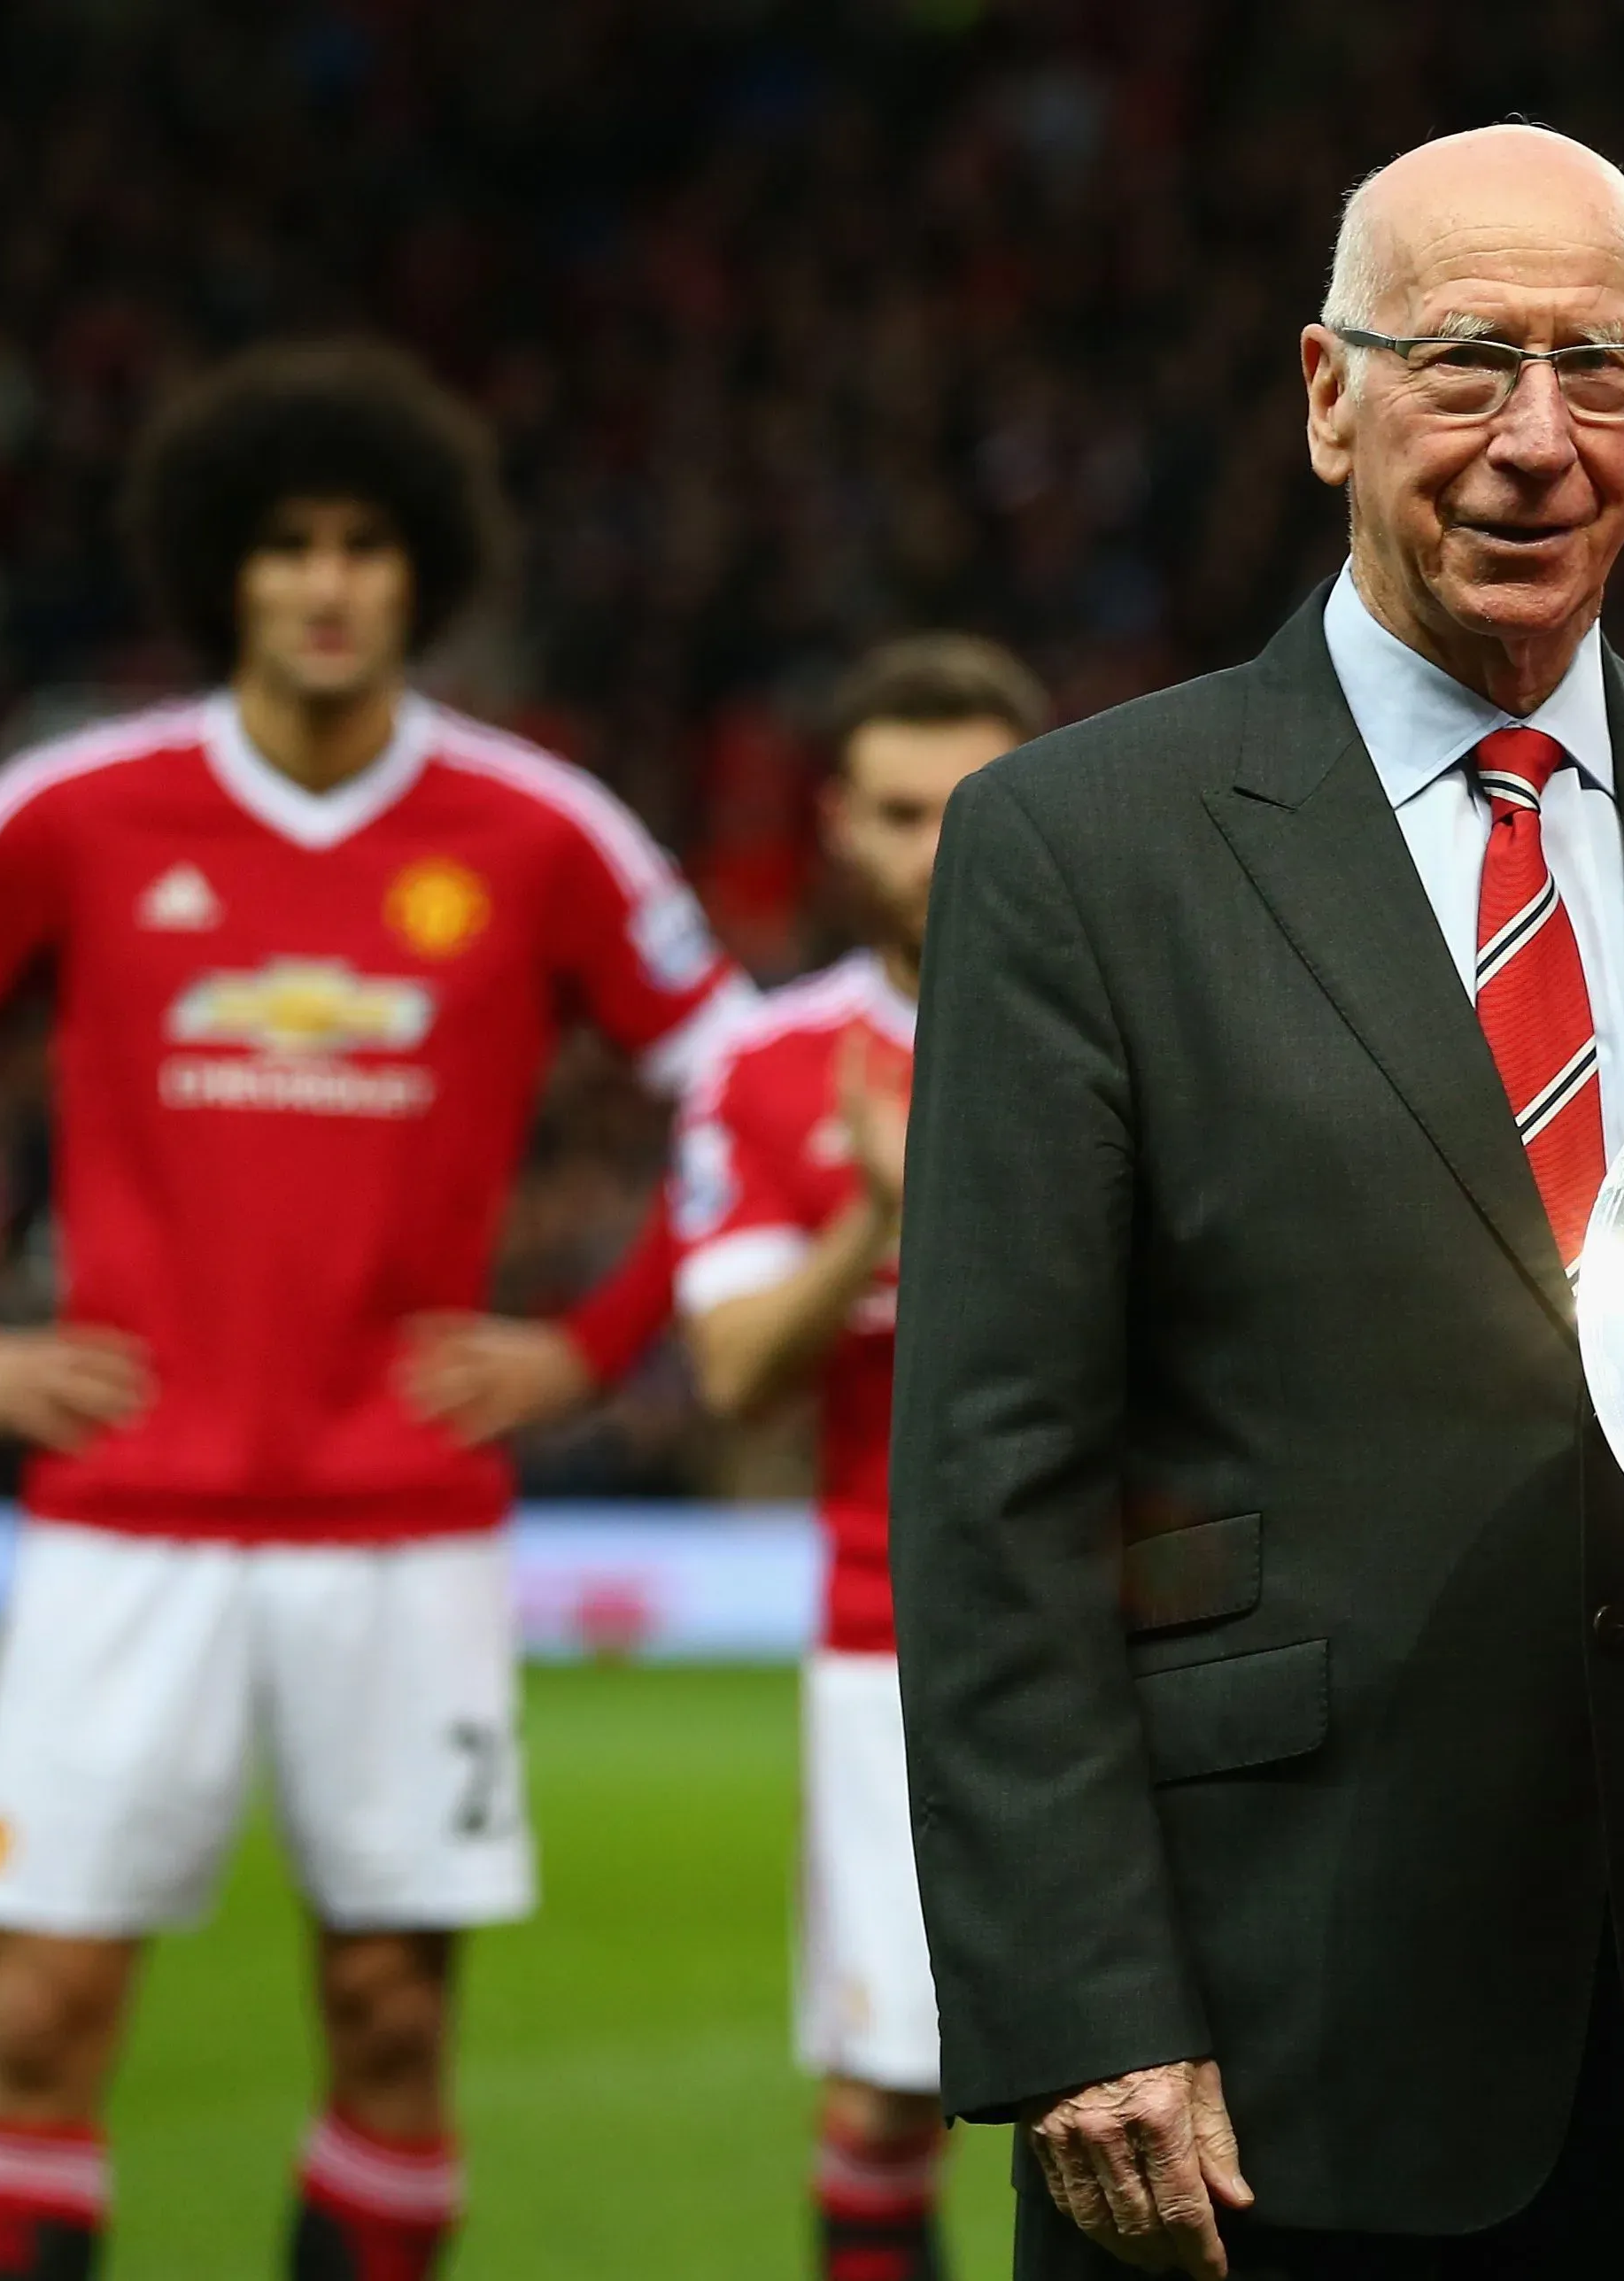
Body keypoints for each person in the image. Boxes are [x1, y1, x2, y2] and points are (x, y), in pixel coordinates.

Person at [886, 126, 1624, 2281]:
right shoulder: (1084, 843)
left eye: (1594, 369)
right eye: (1462, 365)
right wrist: (1083, 2010)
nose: (1534, 440)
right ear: (1328, 393)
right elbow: (994, 1473)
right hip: (1260, 2041)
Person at [0, 339, 744, 2281]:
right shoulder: (76, 808)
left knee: (391, 2018)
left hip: (405, 1523)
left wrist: (594, 1339)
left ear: (420, 574)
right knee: (42, 2016)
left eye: (366, 545)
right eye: (287, 542)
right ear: (225, 566)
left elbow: (747, 1082)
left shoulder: (539, 829)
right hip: (129, 1521)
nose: (324, 582)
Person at [669, 636, 1048, 2280]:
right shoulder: (763, 1068)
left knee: (1175, 2099)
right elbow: (738, 1369)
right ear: (836, 823)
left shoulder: (1132, 1019)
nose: (934, 849)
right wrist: (877, 1220)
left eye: (970, 807)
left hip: (1147, 1623)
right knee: (893, 2095)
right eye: (899, 813)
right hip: (888, 1643)